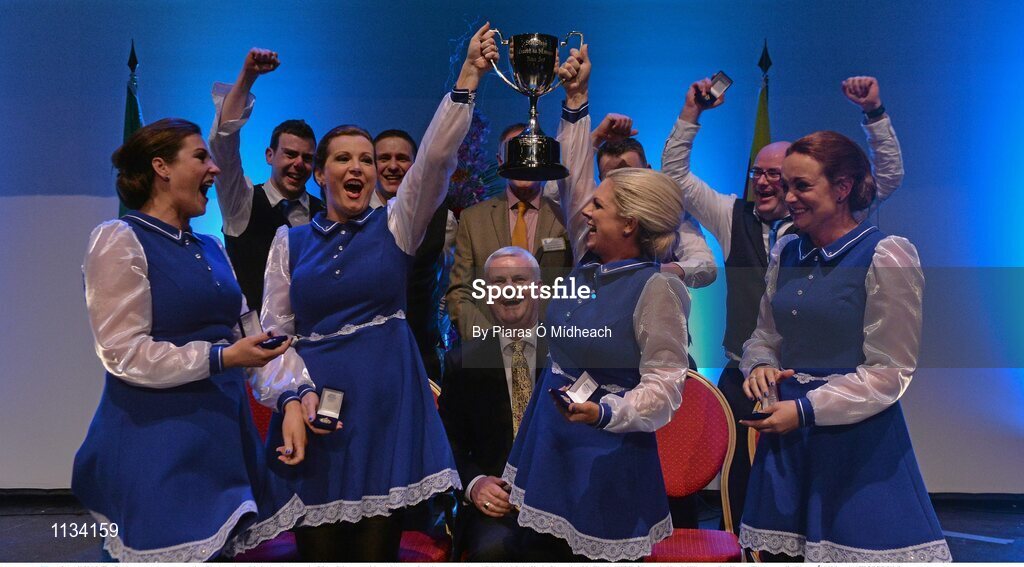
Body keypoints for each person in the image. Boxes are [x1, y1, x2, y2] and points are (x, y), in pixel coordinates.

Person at [250, 25, 496, 561]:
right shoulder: (288, 242)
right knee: (318, 549)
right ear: (319, 175)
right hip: (316, 405)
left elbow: (432, 160)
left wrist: (467, 81)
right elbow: (274, 336)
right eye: (343, 159)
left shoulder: (396, 225)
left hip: (386, 402)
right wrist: (292, 396)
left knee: (373, 549)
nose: (358, 167)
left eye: (366, 159)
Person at [661, 75, 904, 532]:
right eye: (762, 173)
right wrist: (691, 115)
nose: (772, 185)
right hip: (748, 377)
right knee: (746, 494)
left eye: (785, 177)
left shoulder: (841, 231)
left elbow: (883, 178)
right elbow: (675, 177)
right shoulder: (732, 217)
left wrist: (875, 115)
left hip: (823, 392)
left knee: (825, 512)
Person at [72, 119, 299, 561]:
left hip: (220, 440)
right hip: (157, 442)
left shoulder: (211, 246)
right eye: (200, 157)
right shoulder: (120, 238)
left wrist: (293, 394)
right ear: (161, 167)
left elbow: (249, 337)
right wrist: (220, 357)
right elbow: (123, 352)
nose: (213, 169)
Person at [502, 45, 690, 561]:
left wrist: (607, 411)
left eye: (600, 207)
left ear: (629, 224)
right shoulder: (590, 264)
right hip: (554, 438)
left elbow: (666, 388)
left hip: (605, 455)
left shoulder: (656, 289)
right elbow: (580, 179)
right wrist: (577, 98)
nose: (585, 210)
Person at [737, 130, 949, 562]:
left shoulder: (886, 255)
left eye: (801, 185)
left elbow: (890, 371)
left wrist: (806, 409)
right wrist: (759, 364)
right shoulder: (787, 251)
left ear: (842, 188)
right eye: (785, 185)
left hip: (854, 440)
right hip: (789, 438)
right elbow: (766, 334)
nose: (788, 196)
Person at [438, 246, 547, 561]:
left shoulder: (567, 355)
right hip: (498, 509)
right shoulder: (462, 361)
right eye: (498, 282)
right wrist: (475, 484)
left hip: (562, 504)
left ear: (538, 290)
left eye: (519, 279)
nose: (509, 289)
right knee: (494, 551)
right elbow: (449, 444)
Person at [209, 48, 321, 310]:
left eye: (307, 158)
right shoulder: (242, 202)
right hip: (253, 341)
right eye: (290, 154)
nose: (299, 164)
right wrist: (247, 77)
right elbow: (223, 143)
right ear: (269, 155)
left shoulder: (324, 213)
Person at [445, 121, 575, 340]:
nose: (521, 160)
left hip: (551, 349)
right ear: (500, 160)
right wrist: (489, 340)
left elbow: (575, 287)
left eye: (527, 151)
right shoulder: (473, 219)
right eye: (513, 150)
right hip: (488, 350)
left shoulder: (565, 218)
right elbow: (460, 292)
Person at [371, 129, 458, 381]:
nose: (393, 166)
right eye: (383, 158)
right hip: (364, 349)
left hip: (419, 347)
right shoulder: (351, 214)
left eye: (402, 158)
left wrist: (436, 328)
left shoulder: (445, 220)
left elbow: (444, 284)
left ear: (415, 164)